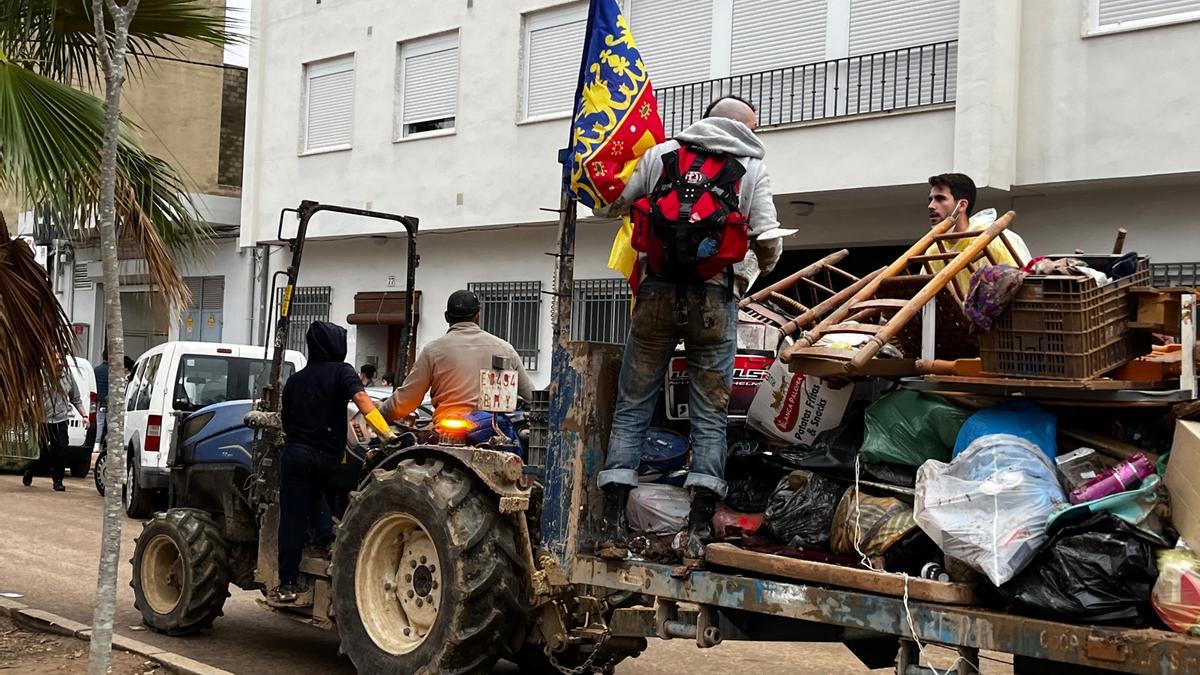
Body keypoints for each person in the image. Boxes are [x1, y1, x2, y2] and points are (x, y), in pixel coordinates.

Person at [592, 95, 792, 562]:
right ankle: (698, 533)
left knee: (632, 407)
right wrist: (741, 276)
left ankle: (611, 529)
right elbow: (770, 241)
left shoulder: (661, 155)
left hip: (656, 294)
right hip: (714, 301)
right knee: (709, 415)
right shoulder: (750, 170)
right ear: (743, 127)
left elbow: (615, 205)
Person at [275, 321, 396, 604]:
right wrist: (386, 433)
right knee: (317, 492)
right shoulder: (342, 372)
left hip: (296, 455)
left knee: (292, 518)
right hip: (328, 459)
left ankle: (287, 584)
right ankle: (330, 539)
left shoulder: (295, 380)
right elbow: (362, 400)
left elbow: (286, 419)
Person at [380, 290, 533, 425]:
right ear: (478, 317)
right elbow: (532, 397)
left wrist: (382, 412)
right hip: (494, 431)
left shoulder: (433, 351)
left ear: (446, 317)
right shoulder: (505, 348)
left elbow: (407, 400)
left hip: (447, 430)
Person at [925, 173, 1032, 295]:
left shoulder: (993, 240)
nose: (931, 206)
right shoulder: (933, 251)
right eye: (931, 199)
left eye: (940, 199)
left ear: (962, 205)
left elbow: (1023, 288)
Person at [24, 360, 88, 491]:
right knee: (41, 451)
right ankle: (30, 470)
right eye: (56, 361)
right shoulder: (42, 376)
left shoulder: (68, 377)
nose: (59, 364)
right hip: (44, 420)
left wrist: (85, 416)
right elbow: (29, 394)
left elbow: (76, 399)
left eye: (61, 362)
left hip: (61, 419)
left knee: (62, 449)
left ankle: (58, 480)